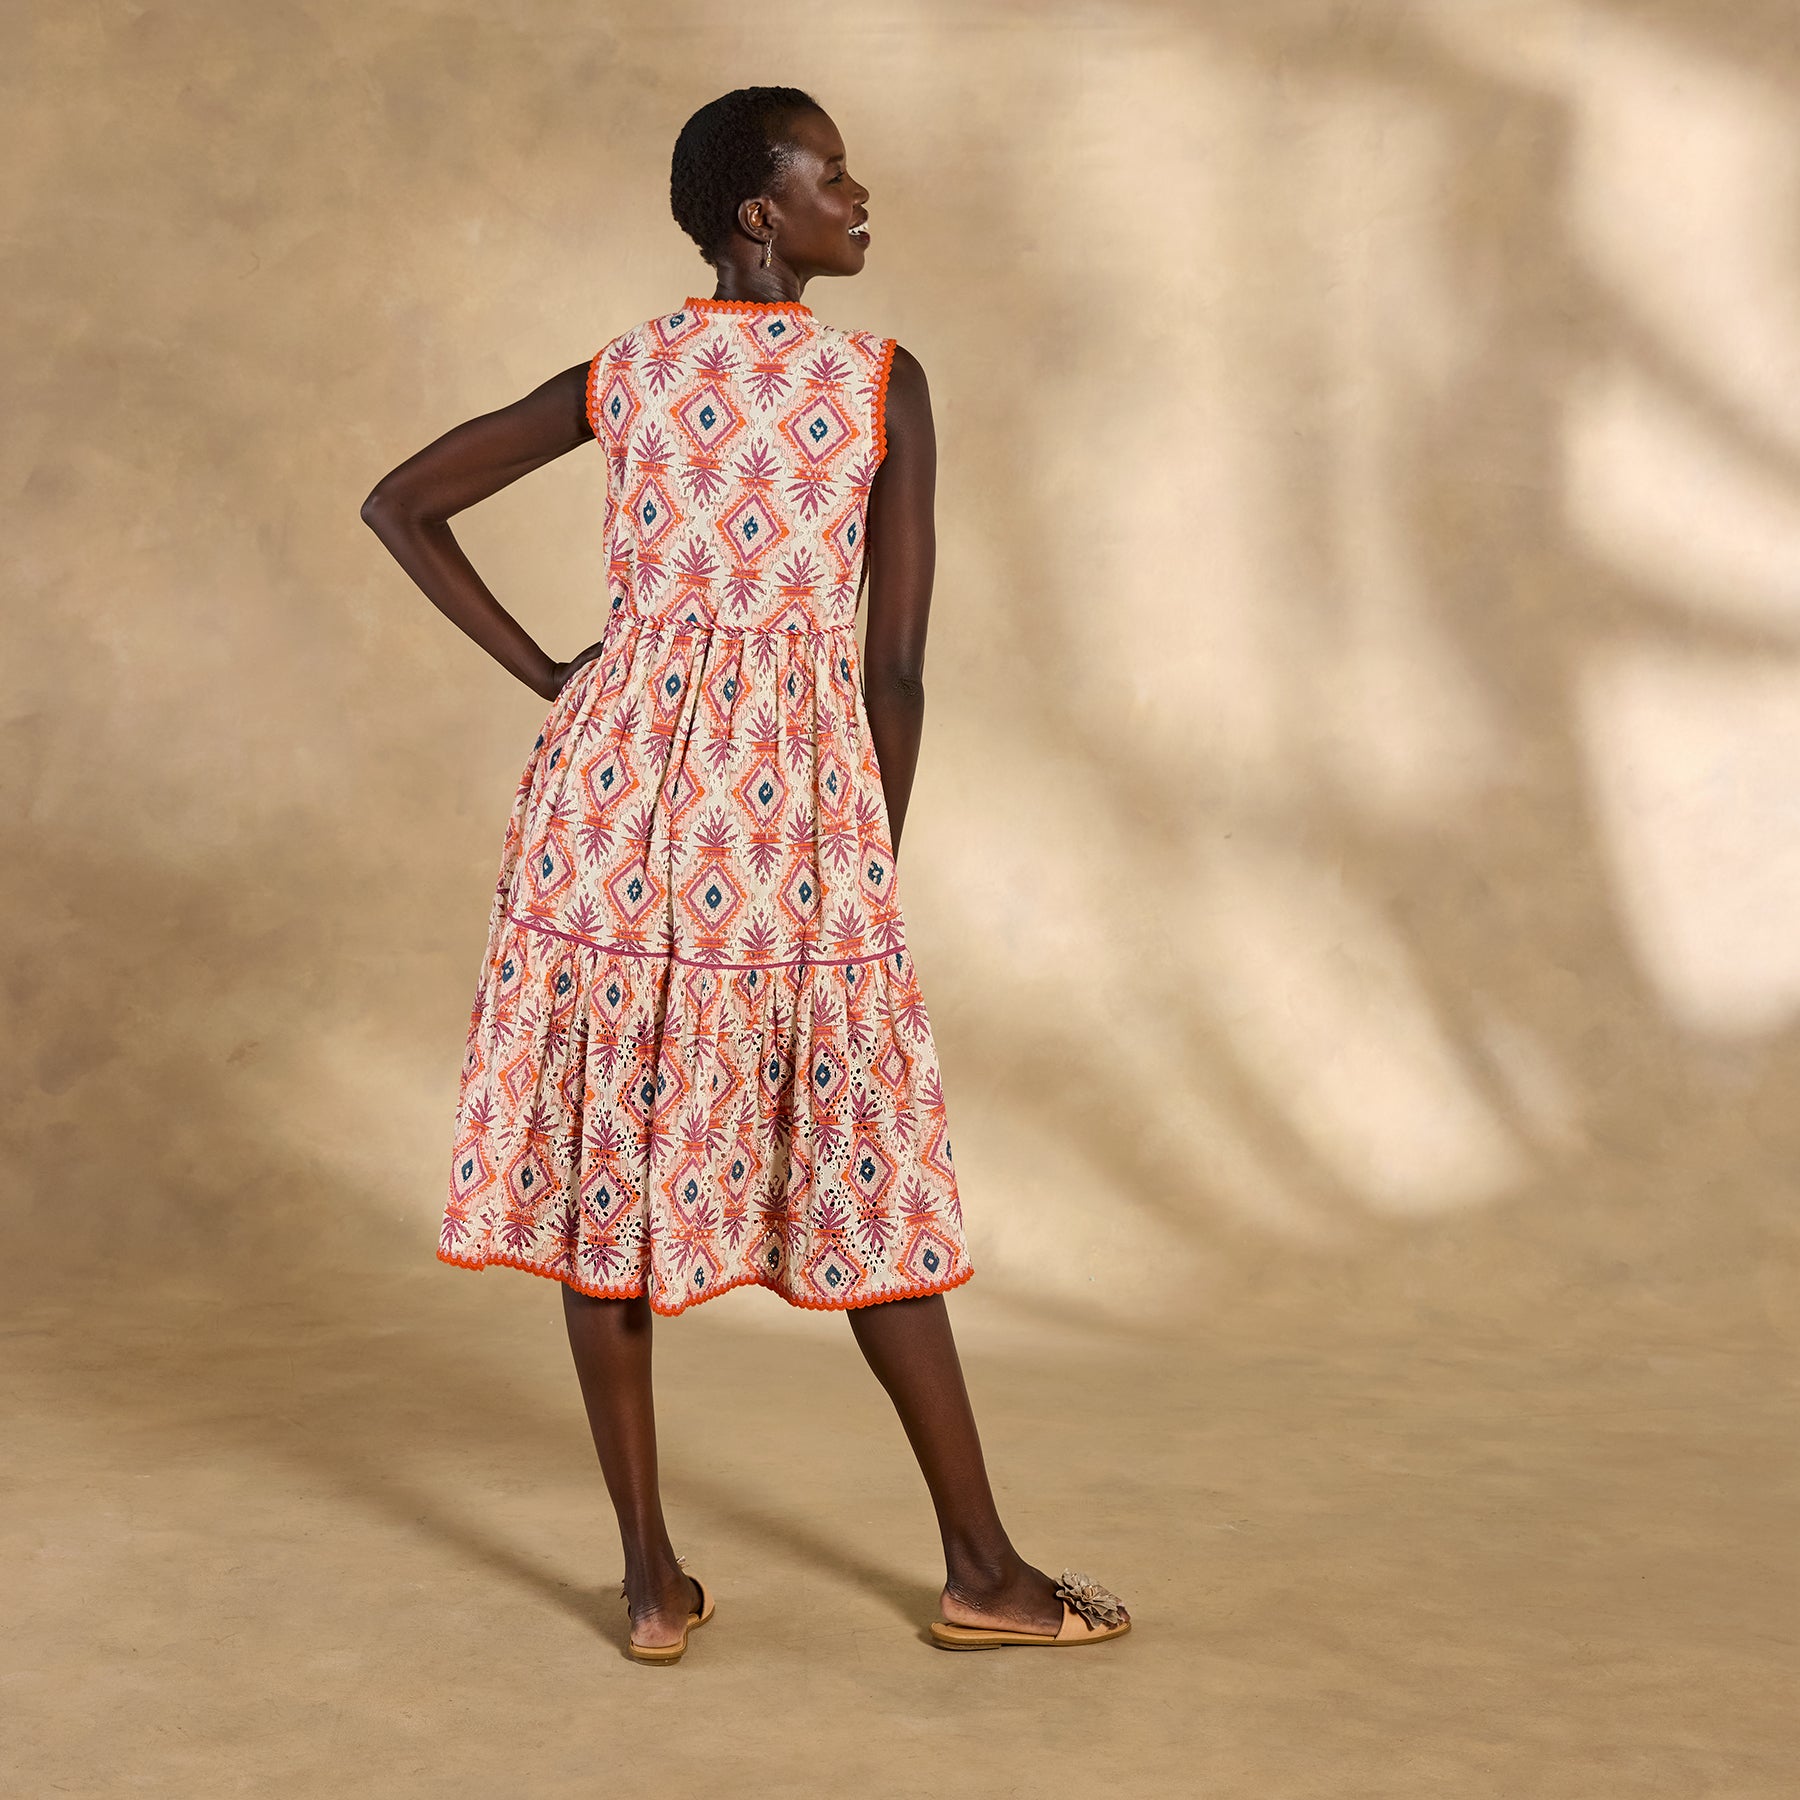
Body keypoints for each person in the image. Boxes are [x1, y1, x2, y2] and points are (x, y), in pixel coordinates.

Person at [361, 85, 1129, 1662]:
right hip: (785, 828)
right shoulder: (881, 384)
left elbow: (403, 502)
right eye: (830, 174)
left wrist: (556, 677)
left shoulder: (625, 370)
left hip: (607, 814)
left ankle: (651, 1587)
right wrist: (867, 858)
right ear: (759, 215)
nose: (860, 193)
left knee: (607, 1175)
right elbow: (894, 668)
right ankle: (982, 1570)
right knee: (862, 1167)